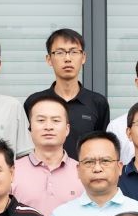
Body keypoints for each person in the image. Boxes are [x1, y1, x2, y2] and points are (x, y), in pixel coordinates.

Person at [25, 28, 109, 159]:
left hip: (83, 172)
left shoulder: (98, 103)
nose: (68, 58)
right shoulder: (35, 102)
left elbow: (101, 147)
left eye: (74, 52)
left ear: (83, 57)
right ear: (49, 59)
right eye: (60, 52)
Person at [11, 92, 81, 216]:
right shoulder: (11, 172)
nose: (48, 127)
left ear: (67, 129)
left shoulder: (82, 171)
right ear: (30, 128)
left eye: (56, 120)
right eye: (41, 120)